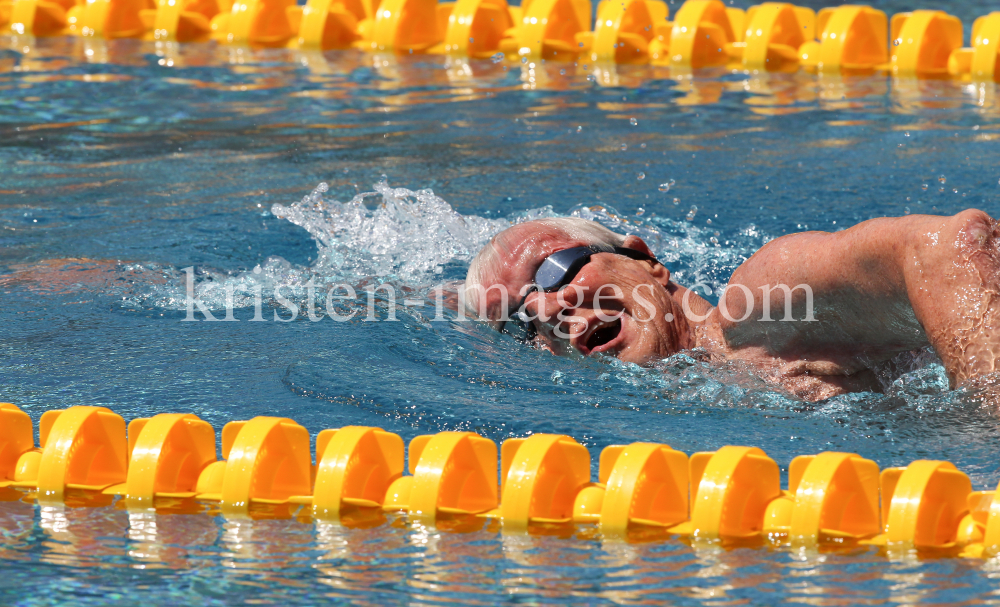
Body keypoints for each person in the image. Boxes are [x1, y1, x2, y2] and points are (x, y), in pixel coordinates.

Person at [463, 211, 1000, 401]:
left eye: (552, 271)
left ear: (643, 258)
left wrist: (987, 416)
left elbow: (948, 245)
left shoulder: (763, 308)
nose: (546, 310)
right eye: (519, 319)